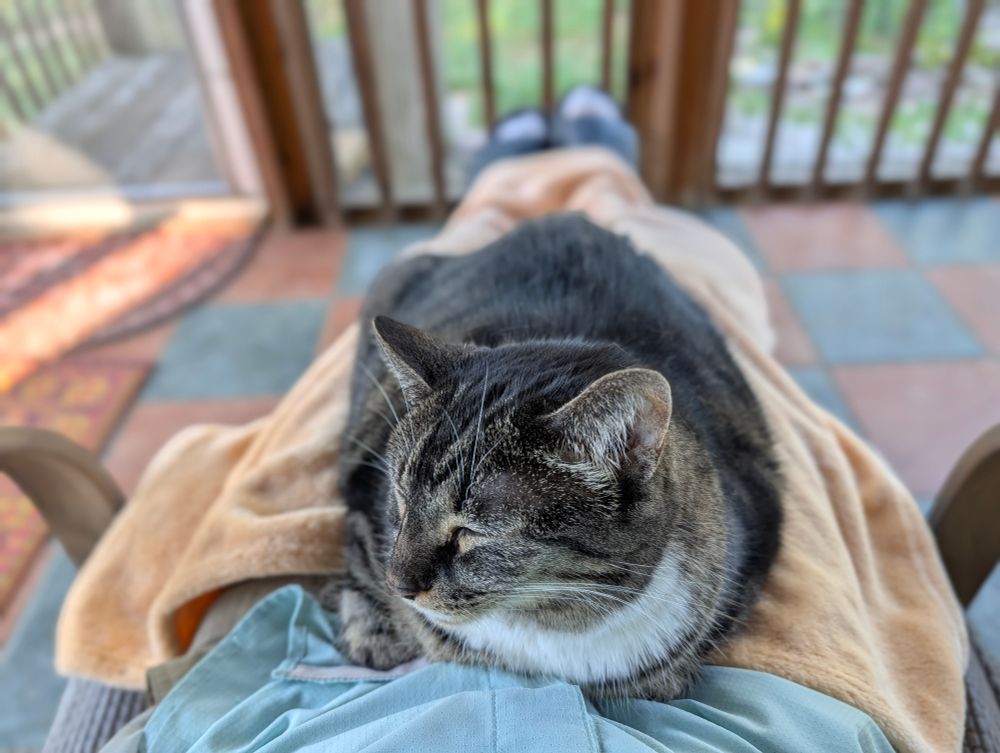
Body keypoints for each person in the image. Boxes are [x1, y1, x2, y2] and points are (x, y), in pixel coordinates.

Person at [75, 88, 963, 753]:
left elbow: (746, 503)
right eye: (413, 529)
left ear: (616, 477)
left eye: (461, 540)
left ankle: (553, 144)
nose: (406, 574)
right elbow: (383, 466)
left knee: (508, 218)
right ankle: (578, 138)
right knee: (638, 225)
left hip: (567, 327)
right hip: (517, 321)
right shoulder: (459, 516)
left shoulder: (614, 481)